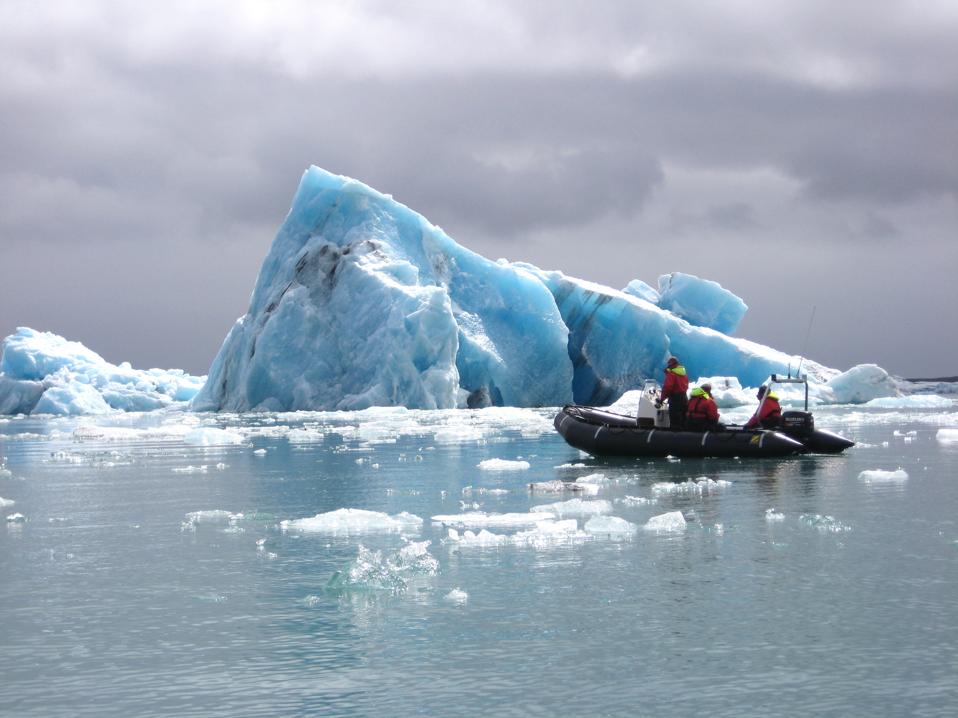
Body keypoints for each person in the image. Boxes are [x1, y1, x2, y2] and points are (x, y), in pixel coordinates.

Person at [657, 356, 688, 429]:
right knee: (683, 419)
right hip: (684, 398)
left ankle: (674, 437)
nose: (668, 366)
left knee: (675, 421)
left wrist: (662, 399)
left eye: (669, 365)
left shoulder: (672, 375)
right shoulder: (684, 374)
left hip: (675, 399)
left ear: (672, 365)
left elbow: (667, 387)